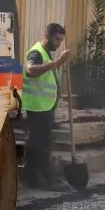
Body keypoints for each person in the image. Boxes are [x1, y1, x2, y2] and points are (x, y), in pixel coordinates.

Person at [20, 23, 70, 189]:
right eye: (56, 39)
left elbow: (48, 73)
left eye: (61, 40)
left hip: (45, 106)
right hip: (38, 107)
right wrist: (51, 64)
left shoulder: (47, 53)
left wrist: (60, 61)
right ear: (47, 36)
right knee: (40, 145)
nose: (58, 43)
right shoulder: (37, 52)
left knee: (39, 143)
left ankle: (33, 179)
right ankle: (45, 180)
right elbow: (30, 70)